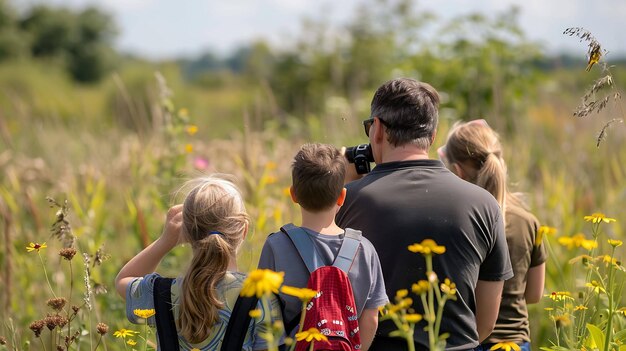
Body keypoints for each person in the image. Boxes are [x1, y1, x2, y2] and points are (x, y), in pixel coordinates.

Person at [335, 78, 513, 351]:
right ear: (432, 135)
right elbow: (486, 324)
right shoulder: (484, 204)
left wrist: (343, 189)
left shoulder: (350, 201)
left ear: (378, 129)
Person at [115, 175, 282, 351]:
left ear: (185, 233)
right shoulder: (261, 297)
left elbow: (123, 280)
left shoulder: (162, 293)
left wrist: (165, 240)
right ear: (244, 230)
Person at [257, 143, 389, 350]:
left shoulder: (276, 246)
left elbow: (265, 316)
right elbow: (371, 319)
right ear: (342, 197)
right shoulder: (364, 249)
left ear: (293, 195)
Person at [439, 119, 547, 351]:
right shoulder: (528, 222)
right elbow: (535, 294)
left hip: (467, 340)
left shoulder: (456, 221)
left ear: (457, 172)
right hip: (516, 342)